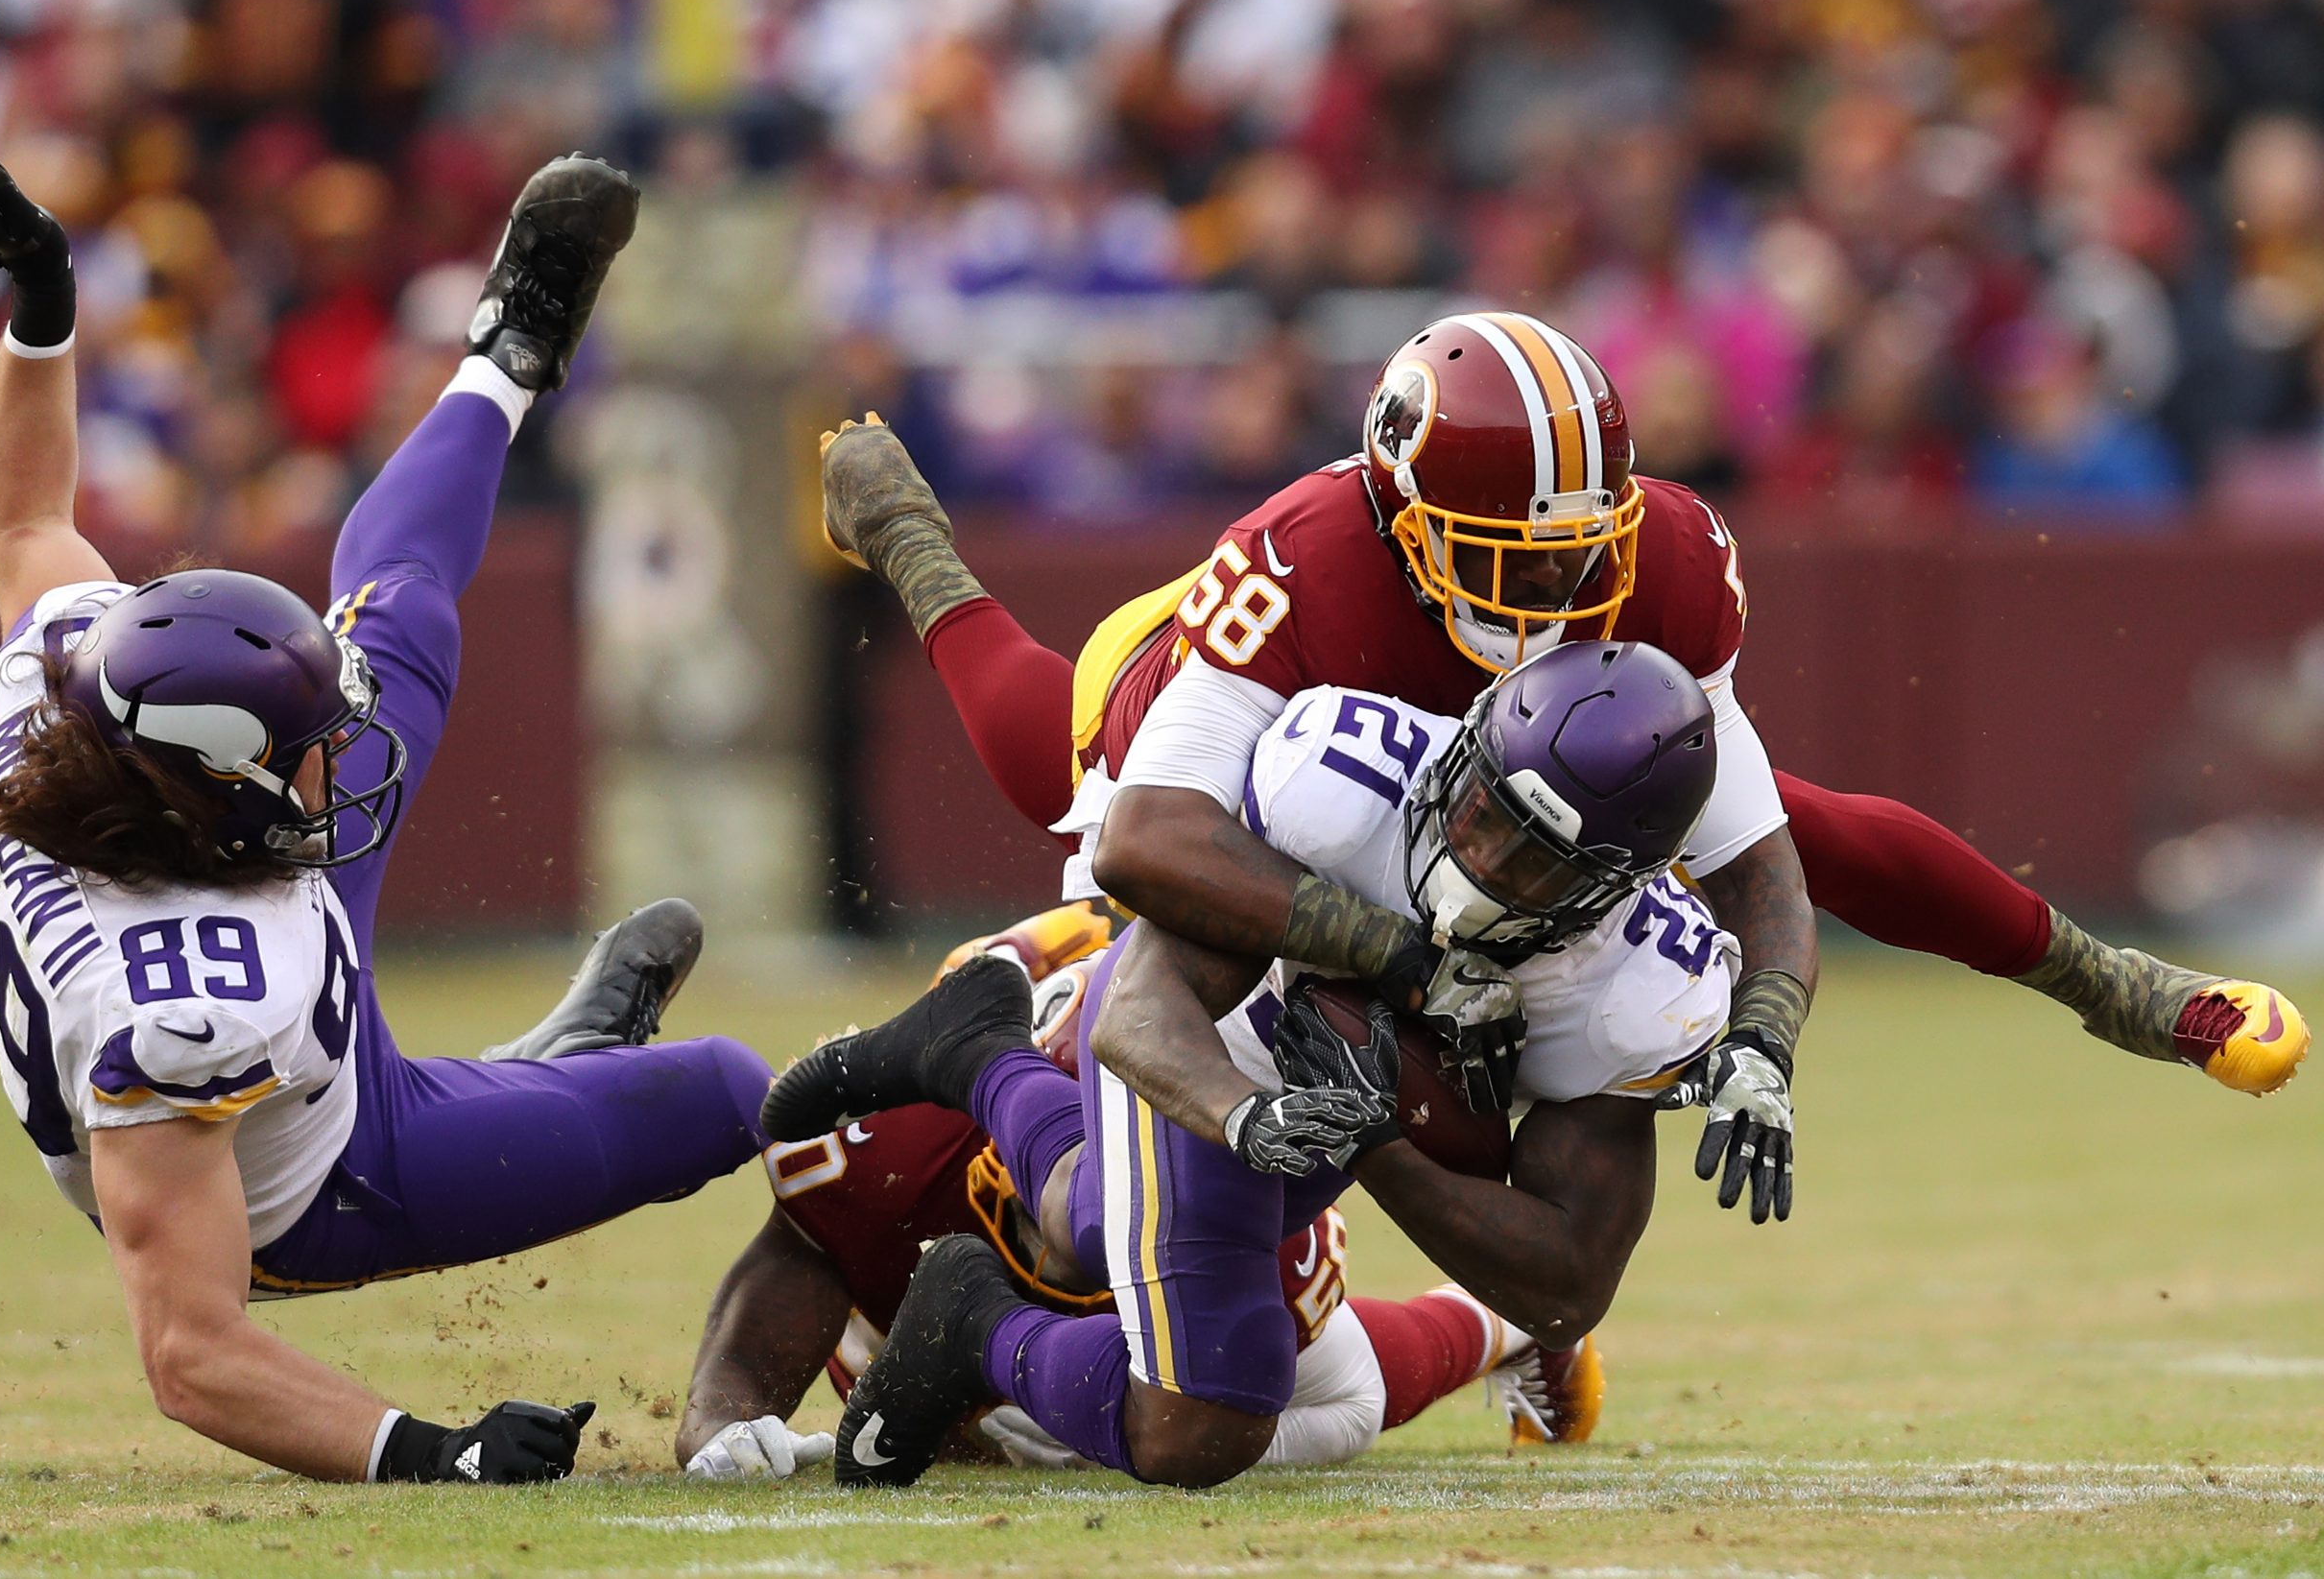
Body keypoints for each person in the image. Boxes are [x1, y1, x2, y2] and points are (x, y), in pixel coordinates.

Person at [813, 315, 2309, 1226]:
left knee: (1797, 814)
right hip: (1268, 747)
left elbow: (1765, 849)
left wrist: (1766, 1038)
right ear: (1401, 517)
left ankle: (2122, 986)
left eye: (1577, 552)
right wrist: (1402, 957)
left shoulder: (1655, 553)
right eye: (1503, 557)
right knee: (1048, 771)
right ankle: (918, 547)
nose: (1552, 598)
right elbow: (1146, 839)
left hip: (1474, 794)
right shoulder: (1303, 568)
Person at [0, 99, 773, 1485]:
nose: (349, 747)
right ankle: (545, 1081)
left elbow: (27, 518)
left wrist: (40, 307)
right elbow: (191, 1348)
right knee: (728, 1091)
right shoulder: (185, 1005)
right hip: (319, 1177)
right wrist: (427, 1451)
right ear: (220, 780)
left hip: (261, 923)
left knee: (402, 617)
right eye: (309, 741)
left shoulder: (73, 688)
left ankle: (506, 360)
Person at [773, 640, 1729, 1487]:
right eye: (1480, 807)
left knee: (1152, 1261)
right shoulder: (1339, 784)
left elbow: (1566, 1281)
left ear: (1612, 887)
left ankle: (977, 1057)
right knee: (1203, 1425)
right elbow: (1140, 1008)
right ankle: (980, 1322)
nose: (1476, 854)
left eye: (1531, 860)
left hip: (1325, 1120)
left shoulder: (1636, 989)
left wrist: (1376, 1142)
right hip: (1214, 1044)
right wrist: (1250, 1117)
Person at [680, 907, 1593, 1482]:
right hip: (1047, 1026)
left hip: (1182, 1161)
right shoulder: (893, 1147)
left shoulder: (1225, 1184)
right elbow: (792, 1257)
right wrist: (722, 1424)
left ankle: (1495, 1326)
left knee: (1322, 1400)